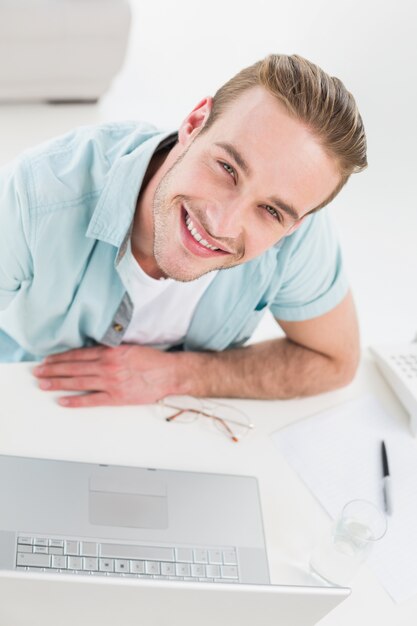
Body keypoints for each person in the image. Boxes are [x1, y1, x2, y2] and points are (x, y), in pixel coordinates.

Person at [0, 54, 367, 408]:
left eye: (270, 211)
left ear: (295, 224)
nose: (221, 225)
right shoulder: (36, 196)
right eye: (227, 168)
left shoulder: (298, 236)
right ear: (194, 123)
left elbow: (335, 361)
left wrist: (182, 374)